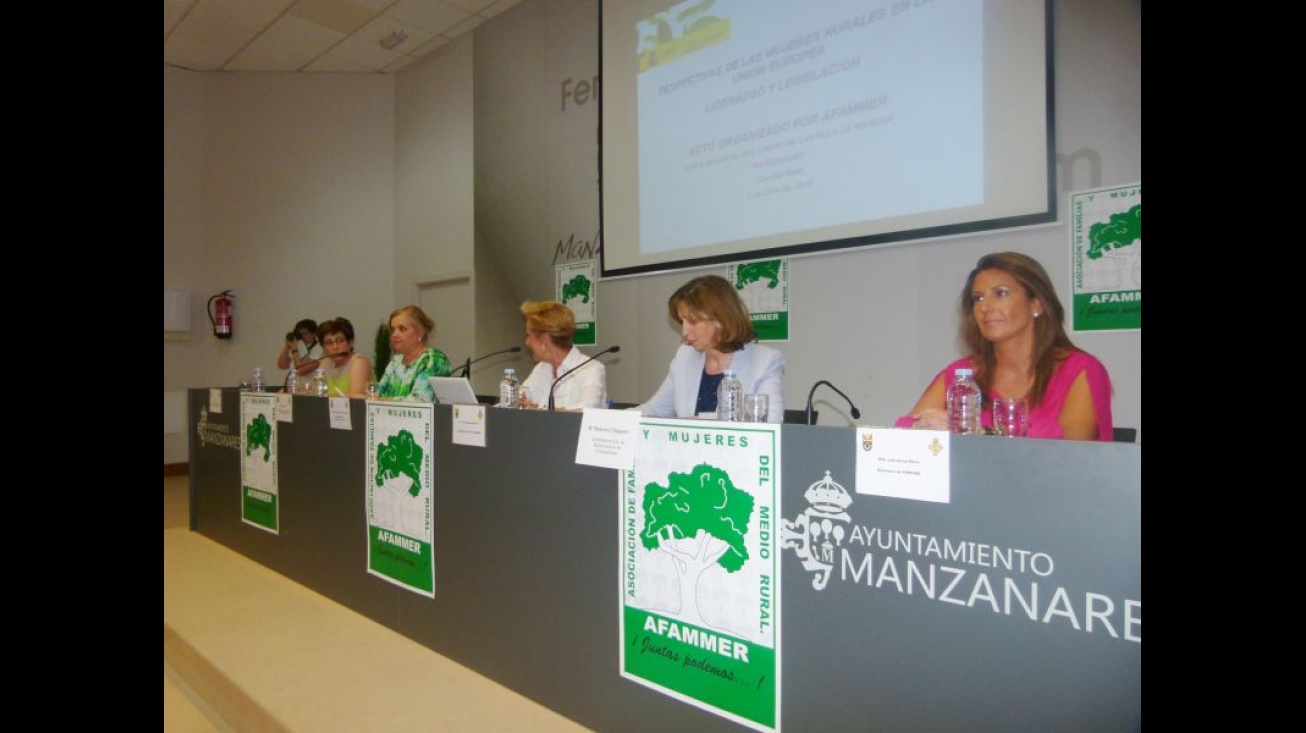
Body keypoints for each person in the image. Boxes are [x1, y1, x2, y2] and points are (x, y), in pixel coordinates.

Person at [896, 251, 1114, 440]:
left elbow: (1071, 454)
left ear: (1036, 304)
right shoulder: (962, 374)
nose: (985, 307)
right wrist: (924, 428)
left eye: (1000, 294)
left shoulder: (1081, 370)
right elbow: (900, 434)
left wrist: (983, 435)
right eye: (978, 298)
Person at [637, 274, 784, 422]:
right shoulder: (685, 356)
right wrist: (616, 420)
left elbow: (772, 418)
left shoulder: (764, 360)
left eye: (693, 321)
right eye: (682, 322)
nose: (684, 331)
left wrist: (698, 421)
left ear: (720, 320)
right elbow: (654, 410)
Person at [517, 301, 607, 410]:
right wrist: (521, 404)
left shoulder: (591, 369)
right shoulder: (541, 369)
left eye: (529, 335)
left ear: (544, 339)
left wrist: (538, 411)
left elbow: (586, 413)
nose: (527, 342)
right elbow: (521, 400)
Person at [377, 305, 452, 402]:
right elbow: (378, 393)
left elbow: (420, 400)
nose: (395, 334)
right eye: (393, 329)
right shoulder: (396, 361)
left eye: (402, 329)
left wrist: (383, 400)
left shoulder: (434, 360)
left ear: (421, 332)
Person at [316, 317, 375, 398]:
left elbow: (356, 398)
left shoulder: (359, 362)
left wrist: (326, 396)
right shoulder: (324, 364)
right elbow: (316, 394)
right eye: (329, 343)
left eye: (340, 341)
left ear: (350, 343)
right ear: (323, 347)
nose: (335, 347)